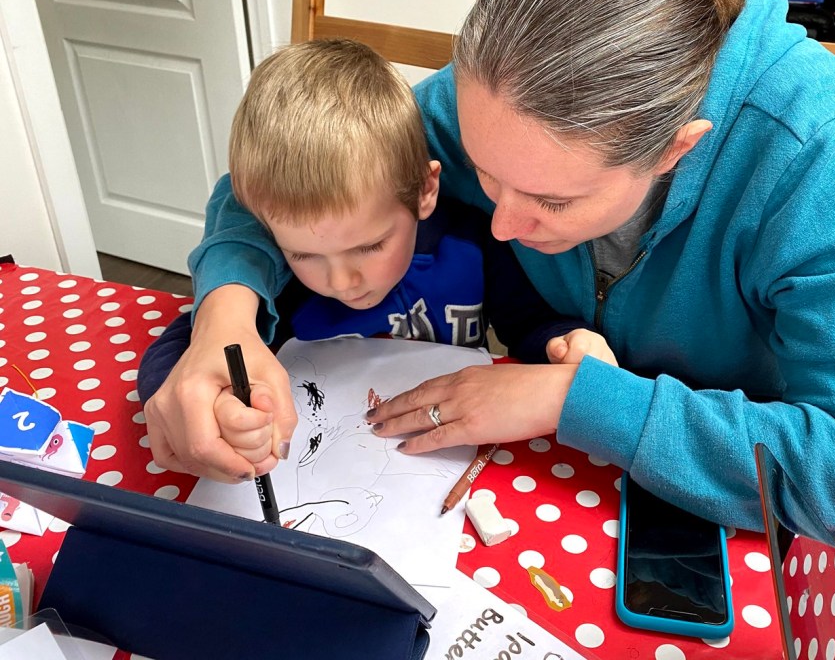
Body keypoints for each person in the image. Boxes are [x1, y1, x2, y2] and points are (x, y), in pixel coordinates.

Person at [144, 0, 835, 540]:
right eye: (483, 172)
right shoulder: (493, 97)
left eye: (551, 202)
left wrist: (574, 397)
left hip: (715, 505)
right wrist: (224, 320)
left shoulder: (813, 151)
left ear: (676, 148)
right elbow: (284, 181)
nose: (501, 224)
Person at [138, 38, 614, 466]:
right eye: (304, 255)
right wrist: (212, 410)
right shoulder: (276, 277)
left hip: (448, 457)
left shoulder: (475, 240)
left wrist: (563, 342)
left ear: (426, 190)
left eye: (369, 246)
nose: (341, 280)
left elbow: (528, 323)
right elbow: (181, 353)